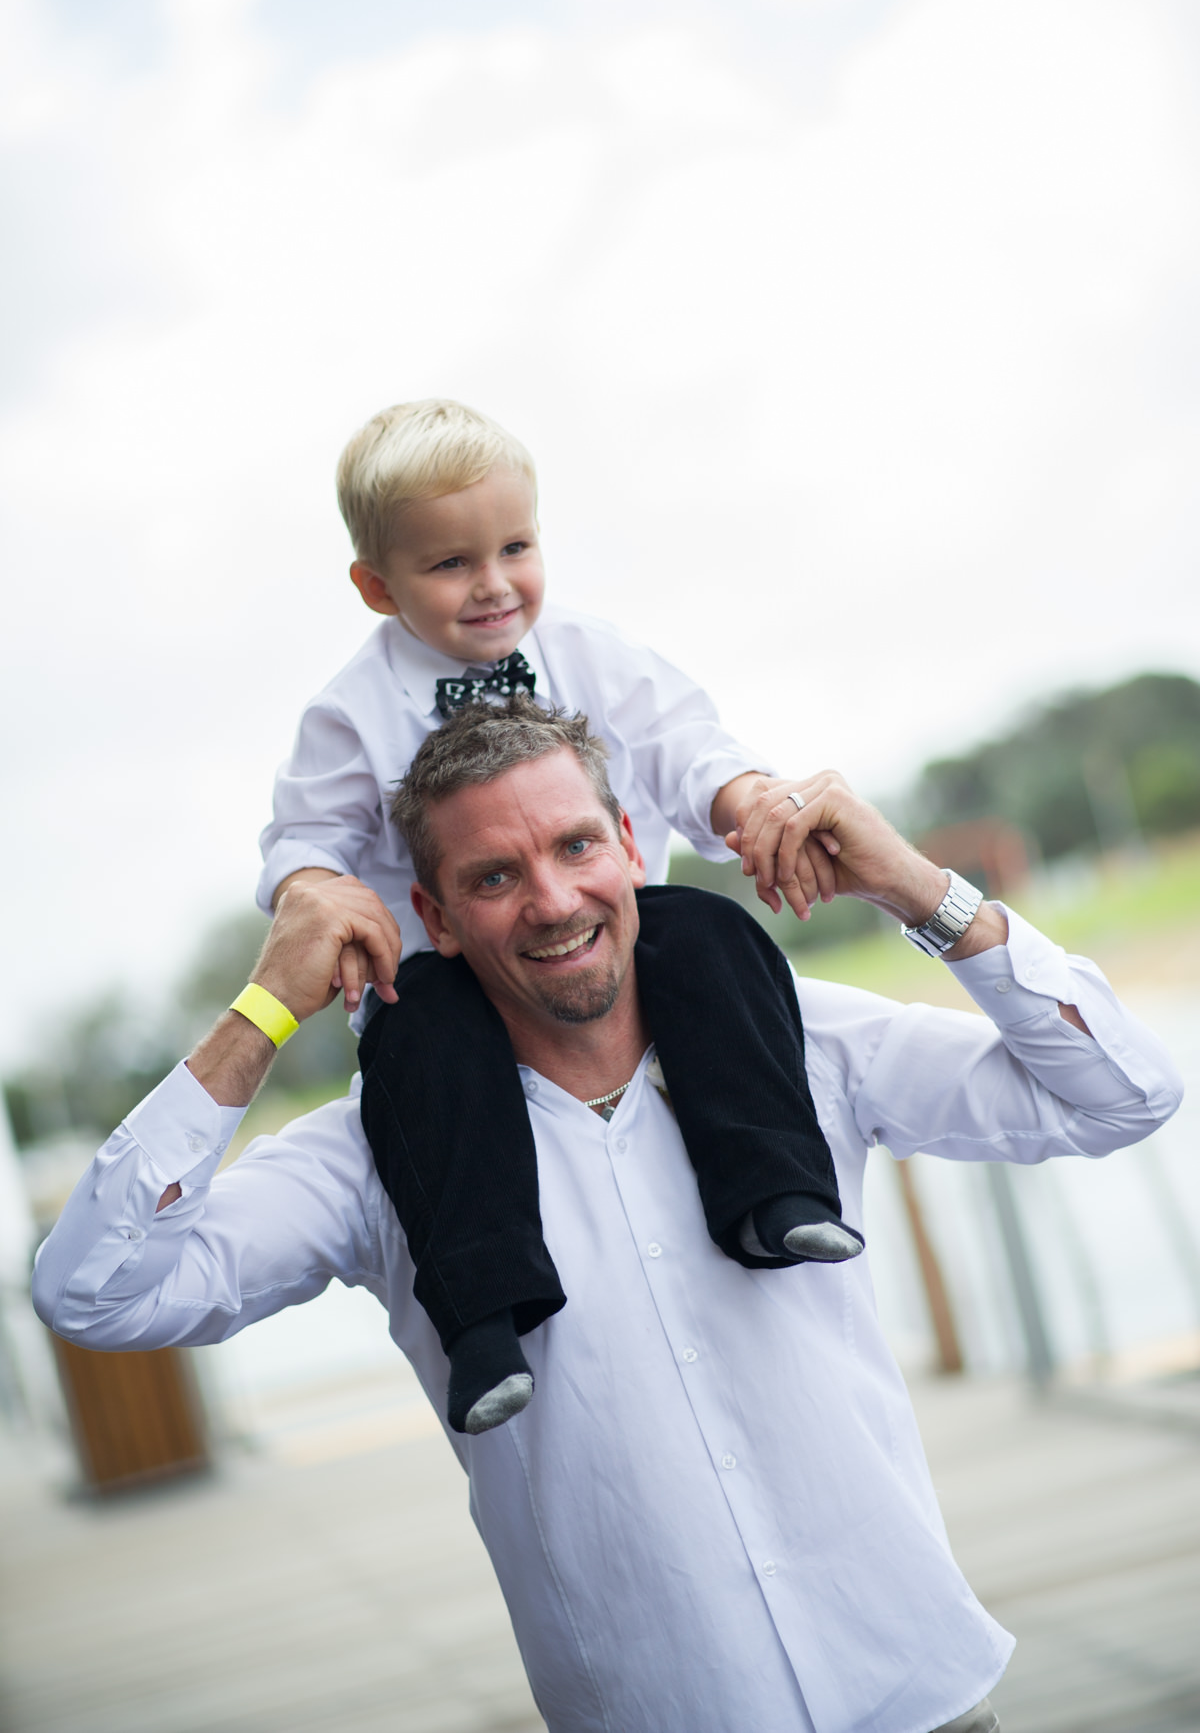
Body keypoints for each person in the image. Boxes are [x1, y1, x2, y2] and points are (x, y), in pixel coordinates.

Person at [34, 703, 1182, 1733]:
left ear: (631, 844)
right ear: (432, 914)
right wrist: (266, 1009)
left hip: (920, 1692)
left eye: (577, 845)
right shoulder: (374, 1155)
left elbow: (1126, 1092)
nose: (553, 900)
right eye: (493, 877)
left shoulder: (802, 1043)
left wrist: (915, 888)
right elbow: (95, 1290)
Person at [260, 397, 863, 1434]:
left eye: (515, 547)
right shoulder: (349, 711)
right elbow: (300, 841)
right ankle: (485, 1316)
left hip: (607, 937)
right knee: (420, 1050)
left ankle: (776, 1189)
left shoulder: (592, 652)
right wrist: (315, 889)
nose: (493, 584)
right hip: (451, 969)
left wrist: (747, 800)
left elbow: (685, 748)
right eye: (450, 565)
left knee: (709, 935)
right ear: (376, 585)